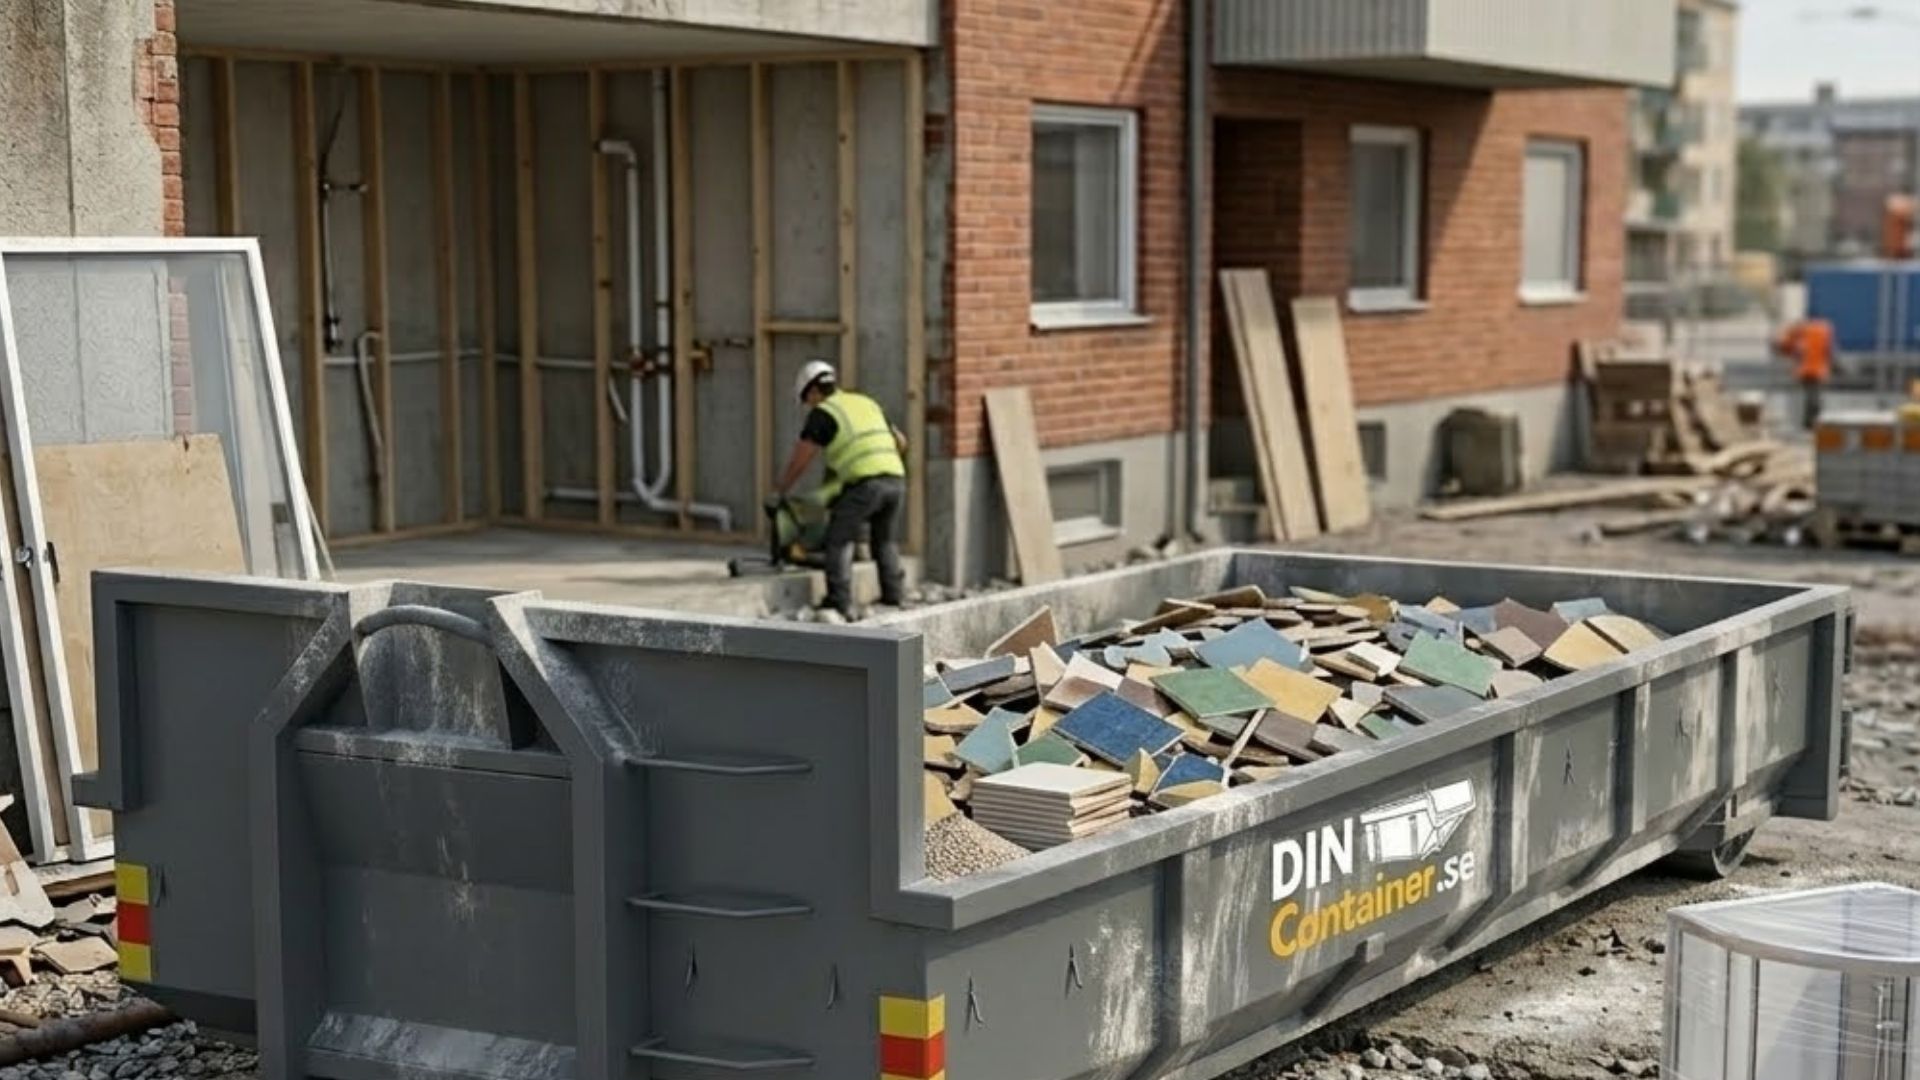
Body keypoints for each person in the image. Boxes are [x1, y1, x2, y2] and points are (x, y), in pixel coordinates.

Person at [773, 360, 907, 619]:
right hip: (895, 478)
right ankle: (894, 596)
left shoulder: (824, 413)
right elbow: (900, 441)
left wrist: (781, 489)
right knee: (885, 540)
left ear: (813, 391)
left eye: (806, 399)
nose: (808, 405)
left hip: (867, 484)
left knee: (838, 538)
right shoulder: (864, 402)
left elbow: (802, 457)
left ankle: (839, 601)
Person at [1774, 317, 1833, 430]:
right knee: (1814, 398)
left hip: (1805, 371)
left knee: (1809, 398)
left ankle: (1808, 423)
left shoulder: (1798, 332)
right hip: (1818, 371)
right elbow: (1828, 351)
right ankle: (1813, 422)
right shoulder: (1824, 330)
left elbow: (1784, 347)